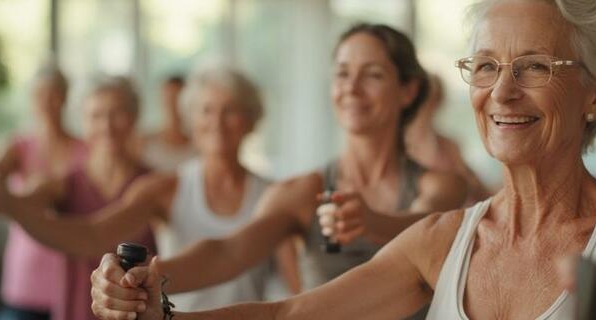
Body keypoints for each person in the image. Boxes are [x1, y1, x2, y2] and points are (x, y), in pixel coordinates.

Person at [88, 1, 596, 319]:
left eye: (534, 66)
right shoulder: (445, 240)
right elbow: (291, 315)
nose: (502, 91)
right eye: (485, 67)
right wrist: (162, 313)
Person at [86, 23, 470, 319]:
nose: (351, 87)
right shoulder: (302, 192)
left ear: (407, 90)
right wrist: (140, 279)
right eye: (341, 73)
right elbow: (227, 252)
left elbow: (429, 226)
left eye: (372, 74)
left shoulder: (441, 185)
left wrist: (373, 222)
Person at [0, 67, 276, 312]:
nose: (107, 125)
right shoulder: (75, 181)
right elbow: (84, 229)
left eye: (117, 114)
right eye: (97, 115)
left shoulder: (158, 185)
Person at [0, 64, 88, 320]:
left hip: (72, 272)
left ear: (65, 97)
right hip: (25, 274)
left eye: (54, 93)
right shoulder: (19, 146)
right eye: (40, 94)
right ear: (32, 100)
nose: (47, 101)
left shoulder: (85, 150)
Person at [405, 73, 492, 203]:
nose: (429, 106)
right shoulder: (398, 146)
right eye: (426, 100)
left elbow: (476, 188)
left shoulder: (448, 145)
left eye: (435, 100)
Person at [138, 75, 195, 172]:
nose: (171, 104)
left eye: (176, 98)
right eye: (168, 98)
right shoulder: (143, 143)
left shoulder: (198, 146)